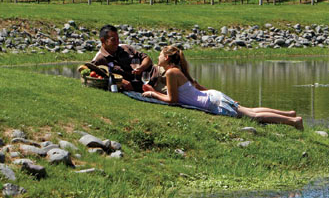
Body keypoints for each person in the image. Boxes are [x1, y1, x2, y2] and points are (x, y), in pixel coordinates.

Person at [144, 45, 303, 129]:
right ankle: (289, 114)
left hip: (213, 102)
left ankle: (294, 121)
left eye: (159, 54)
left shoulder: (172, 73)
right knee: (251, 110)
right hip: (213, 97)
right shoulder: (178, 71)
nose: (157, 57)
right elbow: (196, 87)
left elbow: (172, 100)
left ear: (166, 57)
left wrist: (153, 94)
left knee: (254, 116)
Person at [91, 24, 153, 92]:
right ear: (103, 41)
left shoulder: (126, 48)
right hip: (144, 87)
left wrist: (142, 67)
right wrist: (120, 81)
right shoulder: (100, 59)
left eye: (118, 39)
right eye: (113, 40)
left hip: (154, 76)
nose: (117, 42)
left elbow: (147, 58)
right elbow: (97, 75)